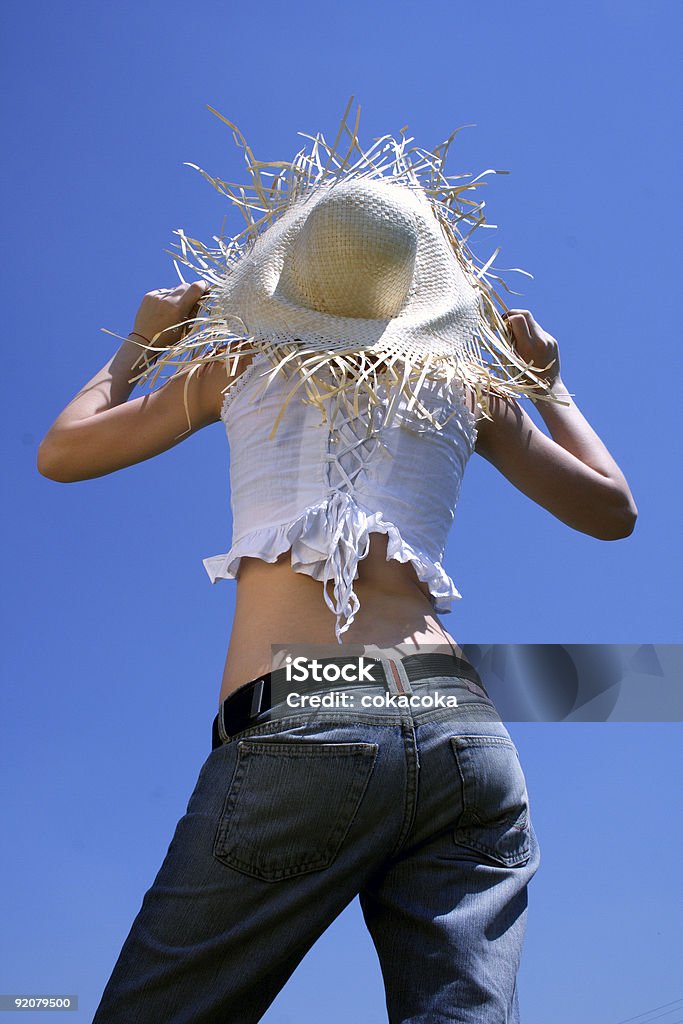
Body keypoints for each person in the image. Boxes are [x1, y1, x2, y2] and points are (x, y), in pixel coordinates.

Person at [37, 108, 637, 1024]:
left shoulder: (237, 366)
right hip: (460, 723)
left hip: (303, 711)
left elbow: (65, 451)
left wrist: (140, 345)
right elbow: (611, 511)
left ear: (290, 280)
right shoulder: (468, 390)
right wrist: (546, 385)